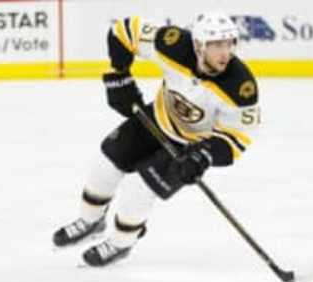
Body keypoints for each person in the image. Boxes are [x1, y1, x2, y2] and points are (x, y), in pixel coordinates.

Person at [52, 11, 260, 267]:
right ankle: (91, 220)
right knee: (105, 163)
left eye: (229, 44)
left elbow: (237, 138)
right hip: (156, 118)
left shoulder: (240, 86)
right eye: (216, 45)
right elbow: (124, 31)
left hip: (189, 146)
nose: (225, 53)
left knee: (138, 191)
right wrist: (119, 75)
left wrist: (203, 156)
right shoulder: (172, 44)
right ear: (198, 45)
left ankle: (120, 243)